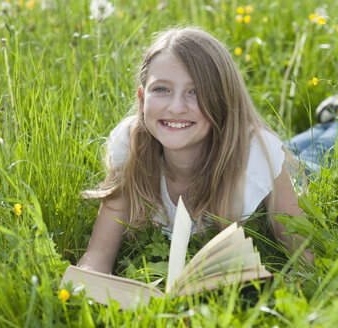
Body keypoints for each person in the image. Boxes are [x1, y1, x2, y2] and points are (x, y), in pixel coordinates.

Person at [77, 26, 314, 274]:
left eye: (195, 92)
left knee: (317, 147)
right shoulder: (131, 146)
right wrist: (86, 285)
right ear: (142, 99)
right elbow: (97, 255)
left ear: (223, 102)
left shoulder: (258, 156)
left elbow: (303, 256)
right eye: (161, 89)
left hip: (300, 169)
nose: (176, 107)